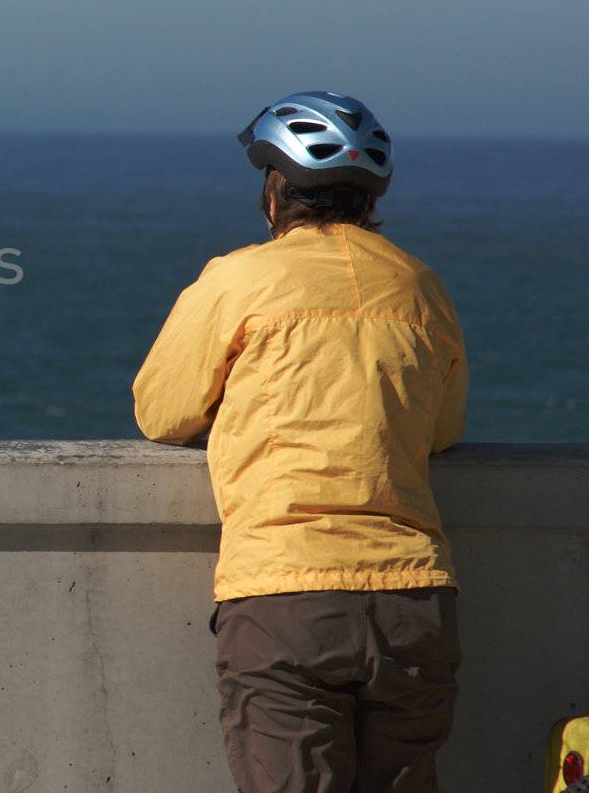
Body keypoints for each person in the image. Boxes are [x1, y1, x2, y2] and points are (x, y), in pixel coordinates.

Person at [132, 91, 467, 792]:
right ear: (369, 197)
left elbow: (160, 411)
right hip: (414, 600)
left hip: (284, 592)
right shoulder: (420, 288)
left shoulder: (240, 278)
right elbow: (443, 430)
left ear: (275, 195)